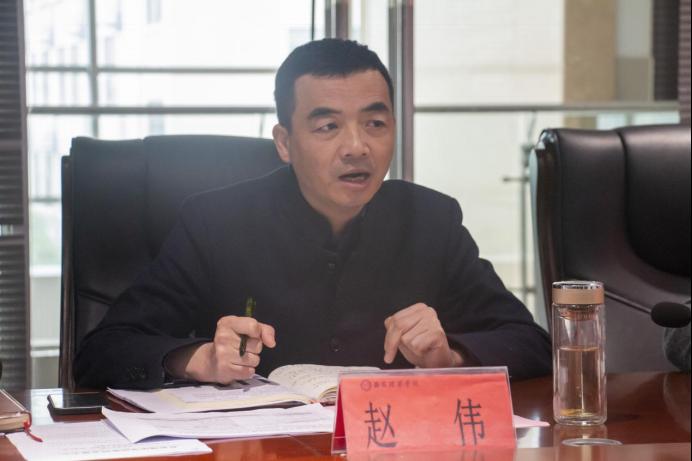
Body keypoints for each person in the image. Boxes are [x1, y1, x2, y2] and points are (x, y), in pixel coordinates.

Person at [74, 39, 551, 389]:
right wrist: (199, 359)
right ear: (284, 143)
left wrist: (449, 357)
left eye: (375, 123)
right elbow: (101, 351)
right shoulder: (214, 222)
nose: (357, 147)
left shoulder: (431, 220)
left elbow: (530, 343)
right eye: (328, 127)